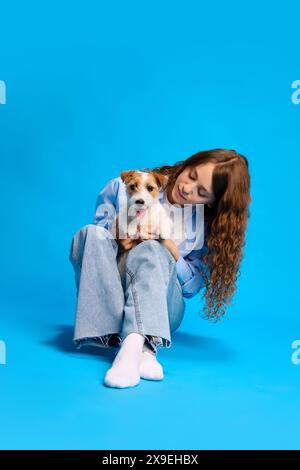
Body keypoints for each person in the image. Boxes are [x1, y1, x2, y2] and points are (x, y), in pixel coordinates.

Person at [69, 148, 251, 389]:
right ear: (188, 163)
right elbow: (98, 246)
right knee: (90, 235)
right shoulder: (125, 186)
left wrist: (165, 245)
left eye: (202, 192)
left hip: (162, 307)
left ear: (212, 202)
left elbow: (190, 287)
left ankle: (137, 345)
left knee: (153, 250)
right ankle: (116, 338)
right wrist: (117, 236)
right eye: (192, 175)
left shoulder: (204, 226)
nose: (187, 188)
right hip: (112, 297)